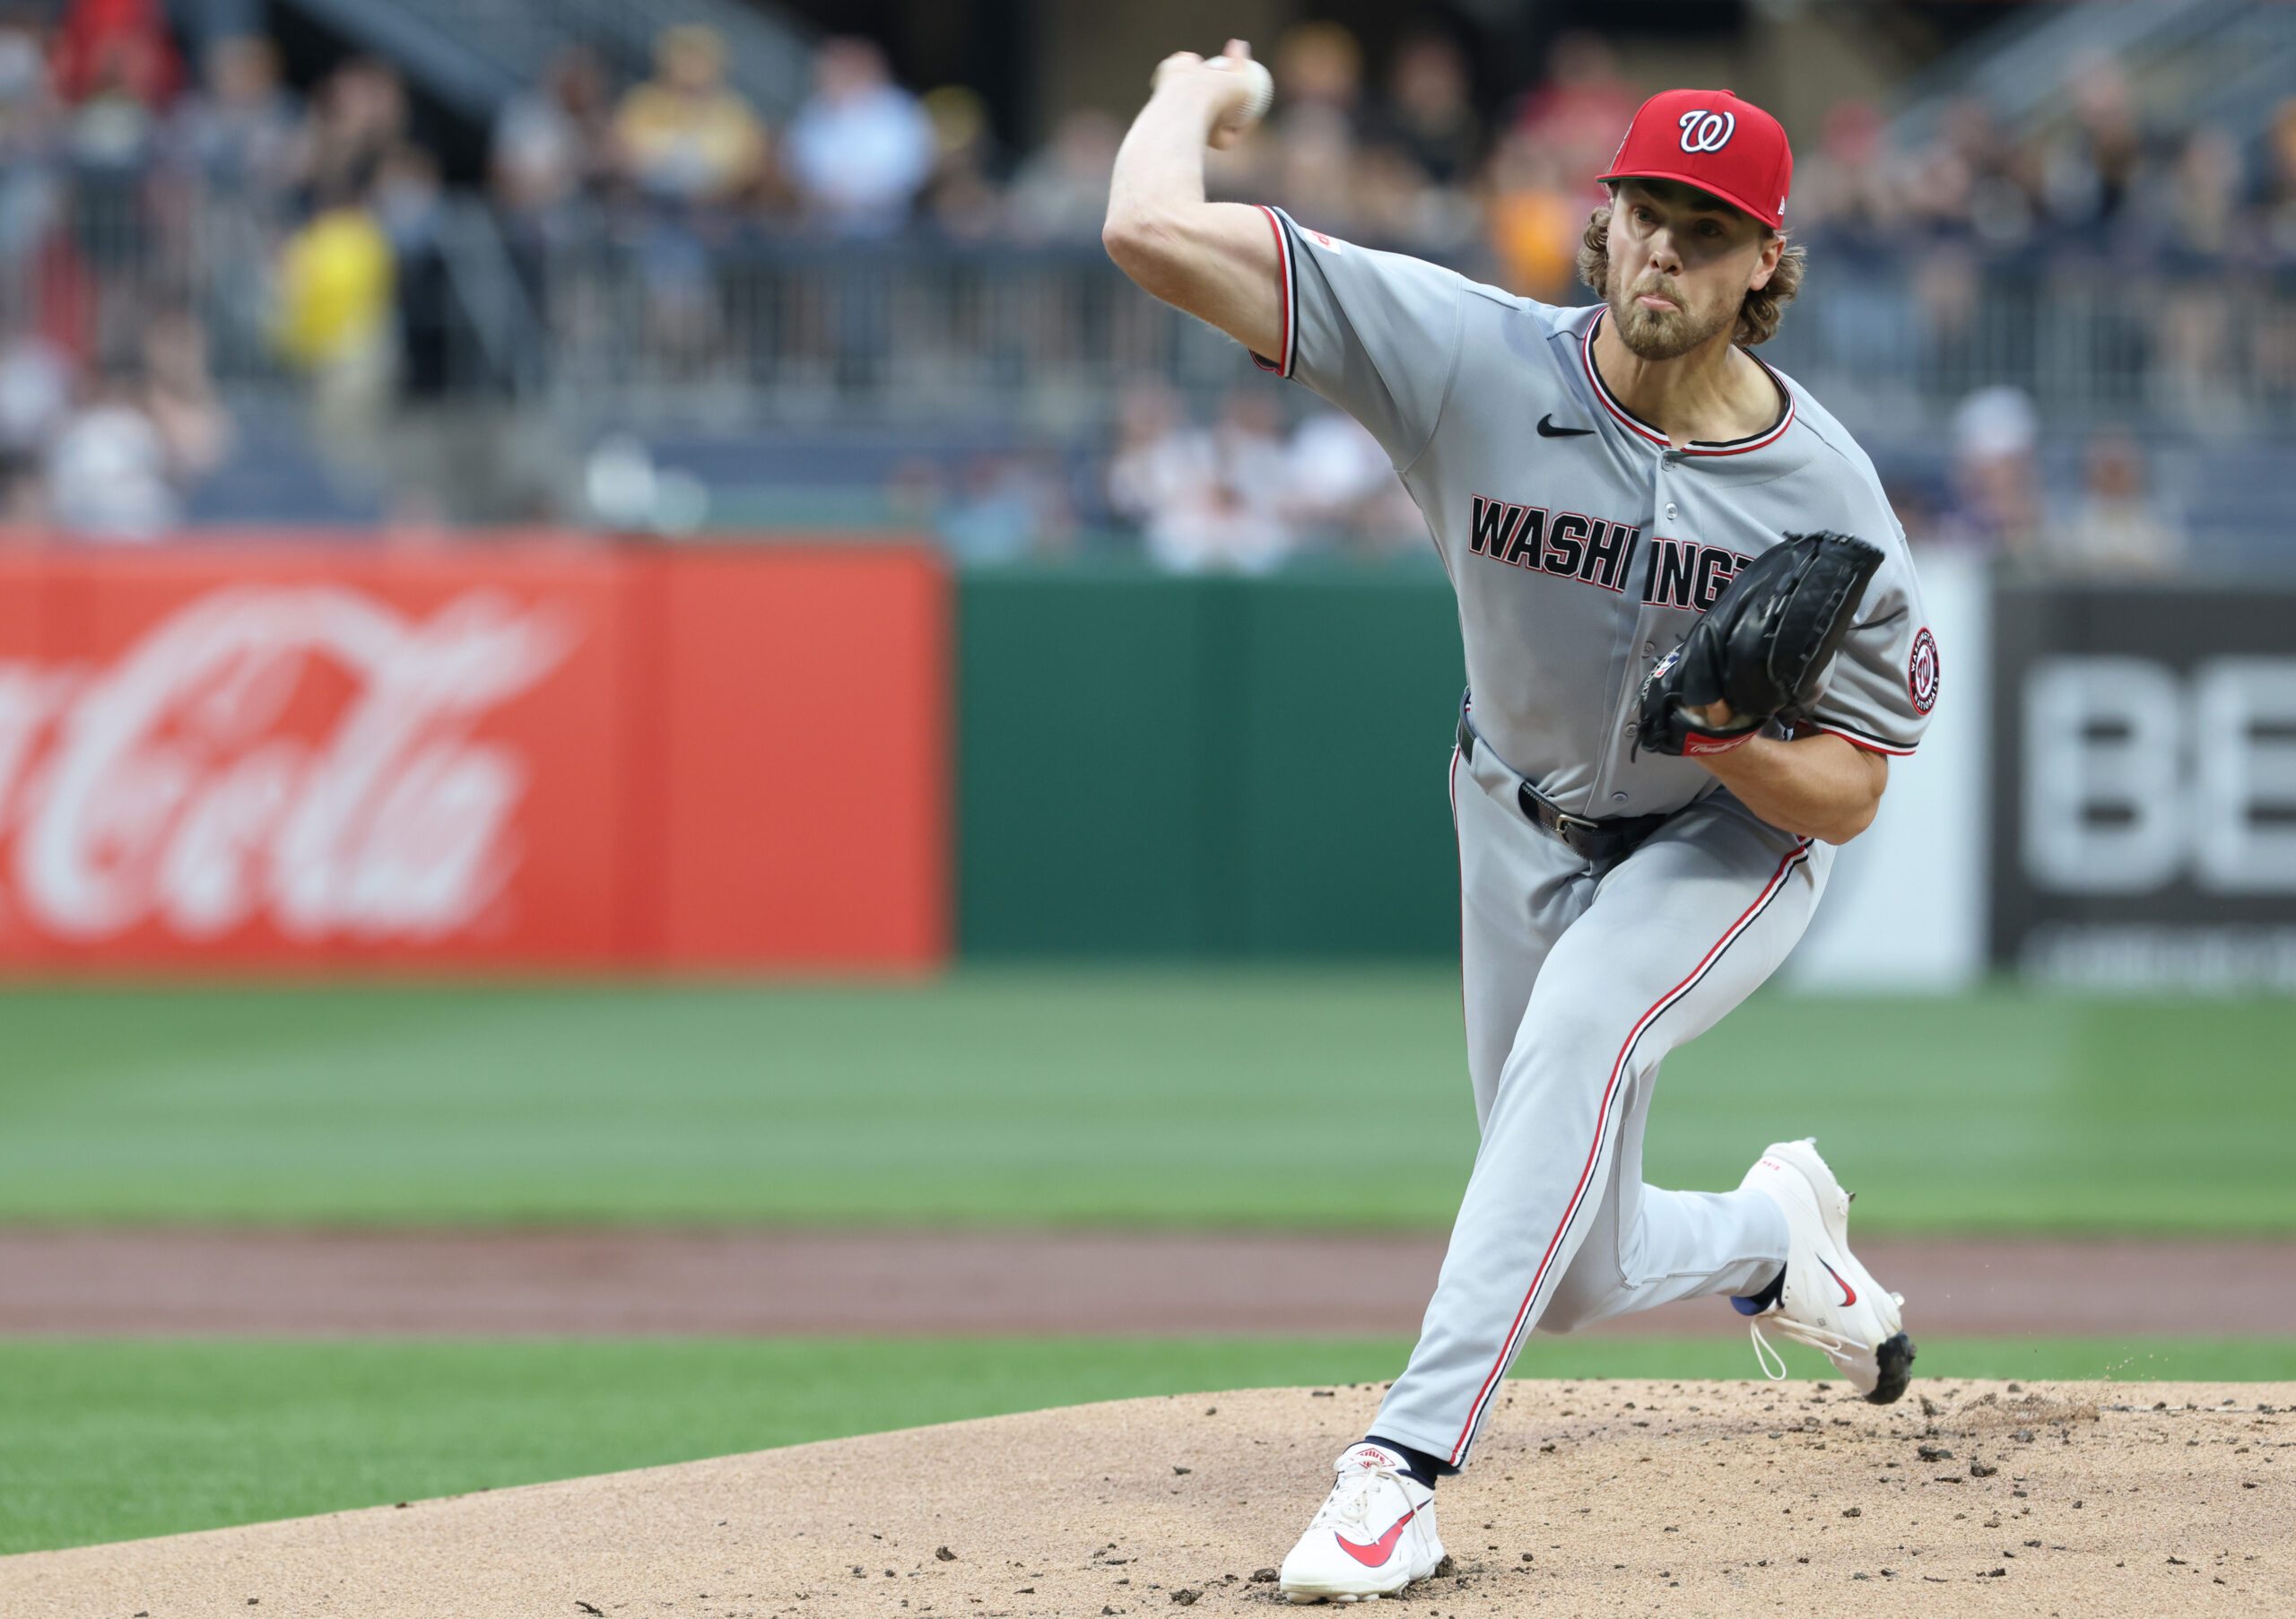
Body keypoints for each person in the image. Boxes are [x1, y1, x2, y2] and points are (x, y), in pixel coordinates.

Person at [1105, 48, 1935, 1605]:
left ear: (1768, 262)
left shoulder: (1828, 495)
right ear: (1599, 221)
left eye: (1708, 224)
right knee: (1580, 1273)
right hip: (1512, 814)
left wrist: (1739, 743)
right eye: (1645, 212)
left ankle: (1394, 1474)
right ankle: (1772, 1237)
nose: (1666, 249)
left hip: (1720, 844)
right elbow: (1149, 234)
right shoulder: (1469, 358)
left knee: (1581, 1029)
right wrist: (1182, 96)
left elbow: (1858, 781)